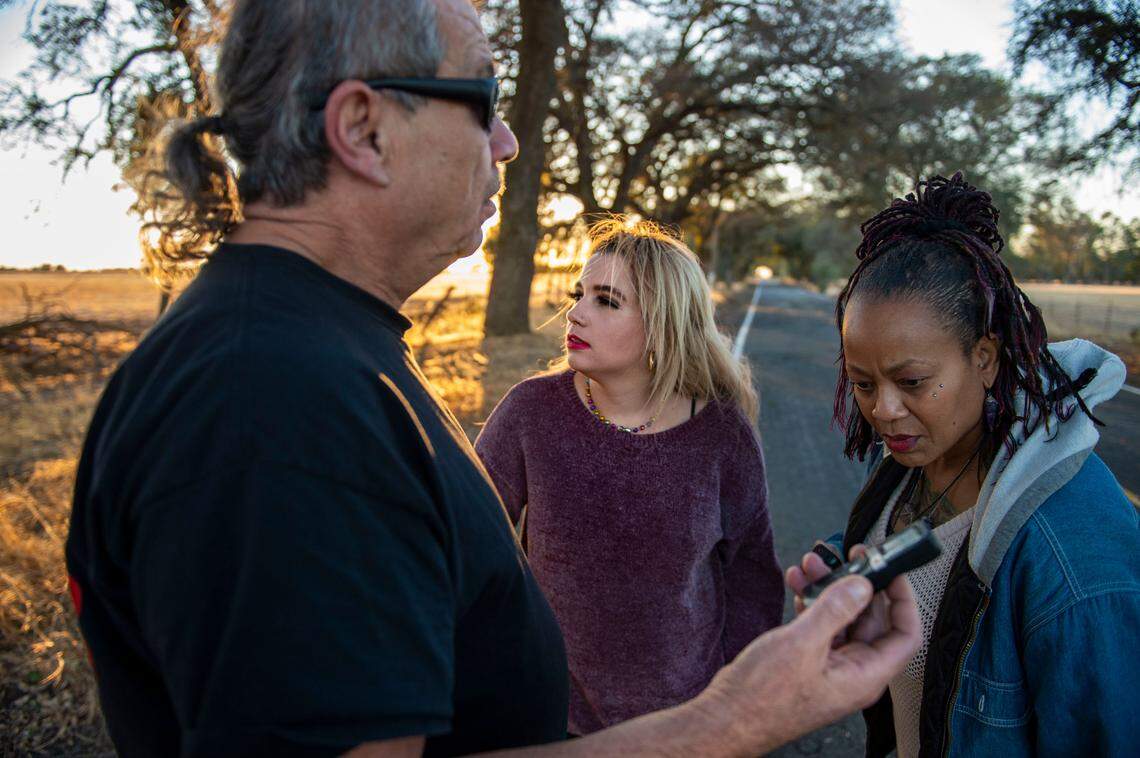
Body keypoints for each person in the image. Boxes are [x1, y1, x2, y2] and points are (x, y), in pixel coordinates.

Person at [65, 0, 921, 755]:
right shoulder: (275, 407)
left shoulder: (328, 356)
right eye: (484, 100)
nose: (508, 142)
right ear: (364, 128)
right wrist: (730, 722)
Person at [786, 173, 1140, 757]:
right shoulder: (916, 450)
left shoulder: (1075, 557)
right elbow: (925, 554)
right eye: (862, 383)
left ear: (984, 358)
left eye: (911, 381)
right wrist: (846, 583)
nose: (882, 410)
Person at [475, 219, 784, 736]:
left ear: (662, 324)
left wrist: (731, 701)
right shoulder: (530, 412)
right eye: (580, 294)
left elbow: (752, 576)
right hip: (548, 712)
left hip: (681, 720)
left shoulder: (721, 434)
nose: (575, 312)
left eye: (607, 301)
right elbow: (470, 544)